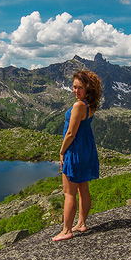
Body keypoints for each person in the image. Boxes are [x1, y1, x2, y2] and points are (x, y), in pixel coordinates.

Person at [53, 70, 102, 242]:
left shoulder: (78, 106)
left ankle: (66, 230)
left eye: (80, 87)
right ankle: (81, 223)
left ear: (88, 88)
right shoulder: (91, 104)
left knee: (69, 193)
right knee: (83, 189)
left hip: (75, 150)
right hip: (87, 149)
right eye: (74, 87)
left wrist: (62, 152)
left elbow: (70, 133)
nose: (76, 91)